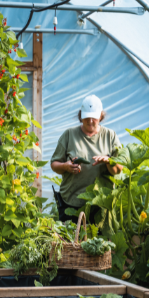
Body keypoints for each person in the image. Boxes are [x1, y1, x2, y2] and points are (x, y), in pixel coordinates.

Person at [49, 95, 123, 223]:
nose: (90, 121)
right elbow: (54, 164)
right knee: (70, 241)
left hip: (101, 204)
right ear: (80, 116)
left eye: (93, 118)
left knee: (98, 242)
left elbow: (118, 170)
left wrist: (108, 161)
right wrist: (66, 166)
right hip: (71, 202)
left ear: (100, 116)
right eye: (86, 117)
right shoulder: (69, 134)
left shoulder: (110, 136)